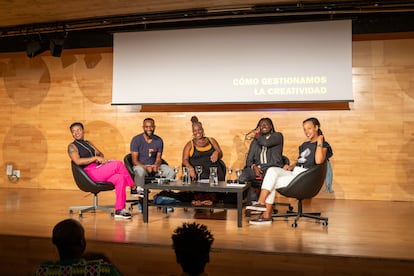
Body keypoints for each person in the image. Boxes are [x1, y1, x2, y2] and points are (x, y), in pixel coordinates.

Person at [247, 117, 333, 225]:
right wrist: (291, 166)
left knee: (271, 181)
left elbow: (319, 160)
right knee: (272, 171)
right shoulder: (304, 145)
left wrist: (320, 141)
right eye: (305, 129)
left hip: (306, 178)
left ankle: (264, 211)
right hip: (296, 173)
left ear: (316, 127)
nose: (306, 132)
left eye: (309, 128)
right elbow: (301, 161)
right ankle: (262, 206)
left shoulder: (323, 144)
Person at [68, 122, 134, 219]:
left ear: (83, 131)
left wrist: (102, 161)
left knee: (120, 178)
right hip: (89, 174)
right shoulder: (72, 146)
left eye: (78, 130)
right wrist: (95, 158)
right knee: (118, 164)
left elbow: (100, 154)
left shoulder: (88, 143)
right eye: (73, 131)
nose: (76, 133)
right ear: (72, 134)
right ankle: (134, 187)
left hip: (98, 169)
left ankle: (119, 210)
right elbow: (77, 161)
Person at [34, 218, 122, 275]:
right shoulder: (103, 269)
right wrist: (105, 260)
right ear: (82, 243)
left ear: (54, 242)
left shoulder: (43, 271)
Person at [130, 117, 175, 195]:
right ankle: (140, 194)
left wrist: (156, 165)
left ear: (154, 127)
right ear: (143, 127)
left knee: (171, 171)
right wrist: (146, 167)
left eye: (151, 127)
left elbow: (158, 158)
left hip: (154, 167)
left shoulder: (159, 140)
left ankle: (165, 194)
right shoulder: (136, 140)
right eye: (146, 127)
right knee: (139, 170)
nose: (149, 129)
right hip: (141, 166)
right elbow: (135, 161)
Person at [239, 117, 284, 184]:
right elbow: (249, 160)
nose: (263, 126)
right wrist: (254, 167)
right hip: (259, 169)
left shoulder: (278, 136)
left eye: (266, 124)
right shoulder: (255, 142)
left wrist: (257, 135)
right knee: (242, 177)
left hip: (273, 168)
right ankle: (253, 194)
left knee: (268, 177)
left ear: (271, 127)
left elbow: (266, 143)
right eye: (261, 125)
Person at [182, 116, 224, 181]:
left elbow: (220, 154)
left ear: (202, 129)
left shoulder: (212, 140)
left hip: (214, 174)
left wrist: (217, 153)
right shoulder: (190, 144)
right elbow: (184, 160)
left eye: (199, 130)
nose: (197, 132)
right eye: (195, 131)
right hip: (199, 174)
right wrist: (190, 168)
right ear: (192, 132)